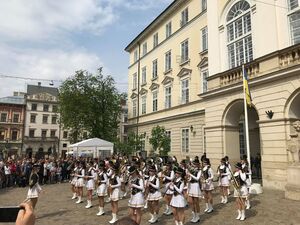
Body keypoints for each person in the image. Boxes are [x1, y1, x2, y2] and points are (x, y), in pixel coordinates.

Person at [187, 158, 202, 223]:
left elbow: (197, 178)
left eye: (195, 164)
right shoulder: (191, 170)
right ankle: (194, 215)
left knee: (196, 202)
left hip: (196, 186)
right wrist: (188, 178)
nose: (194, 165)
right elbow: (190, 179)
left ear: (198, 164)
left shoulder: (199, 170)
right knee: (190, 202)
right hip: (191, 186)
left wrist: (190, 174)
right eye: (193, 164)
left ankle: (197, 216)